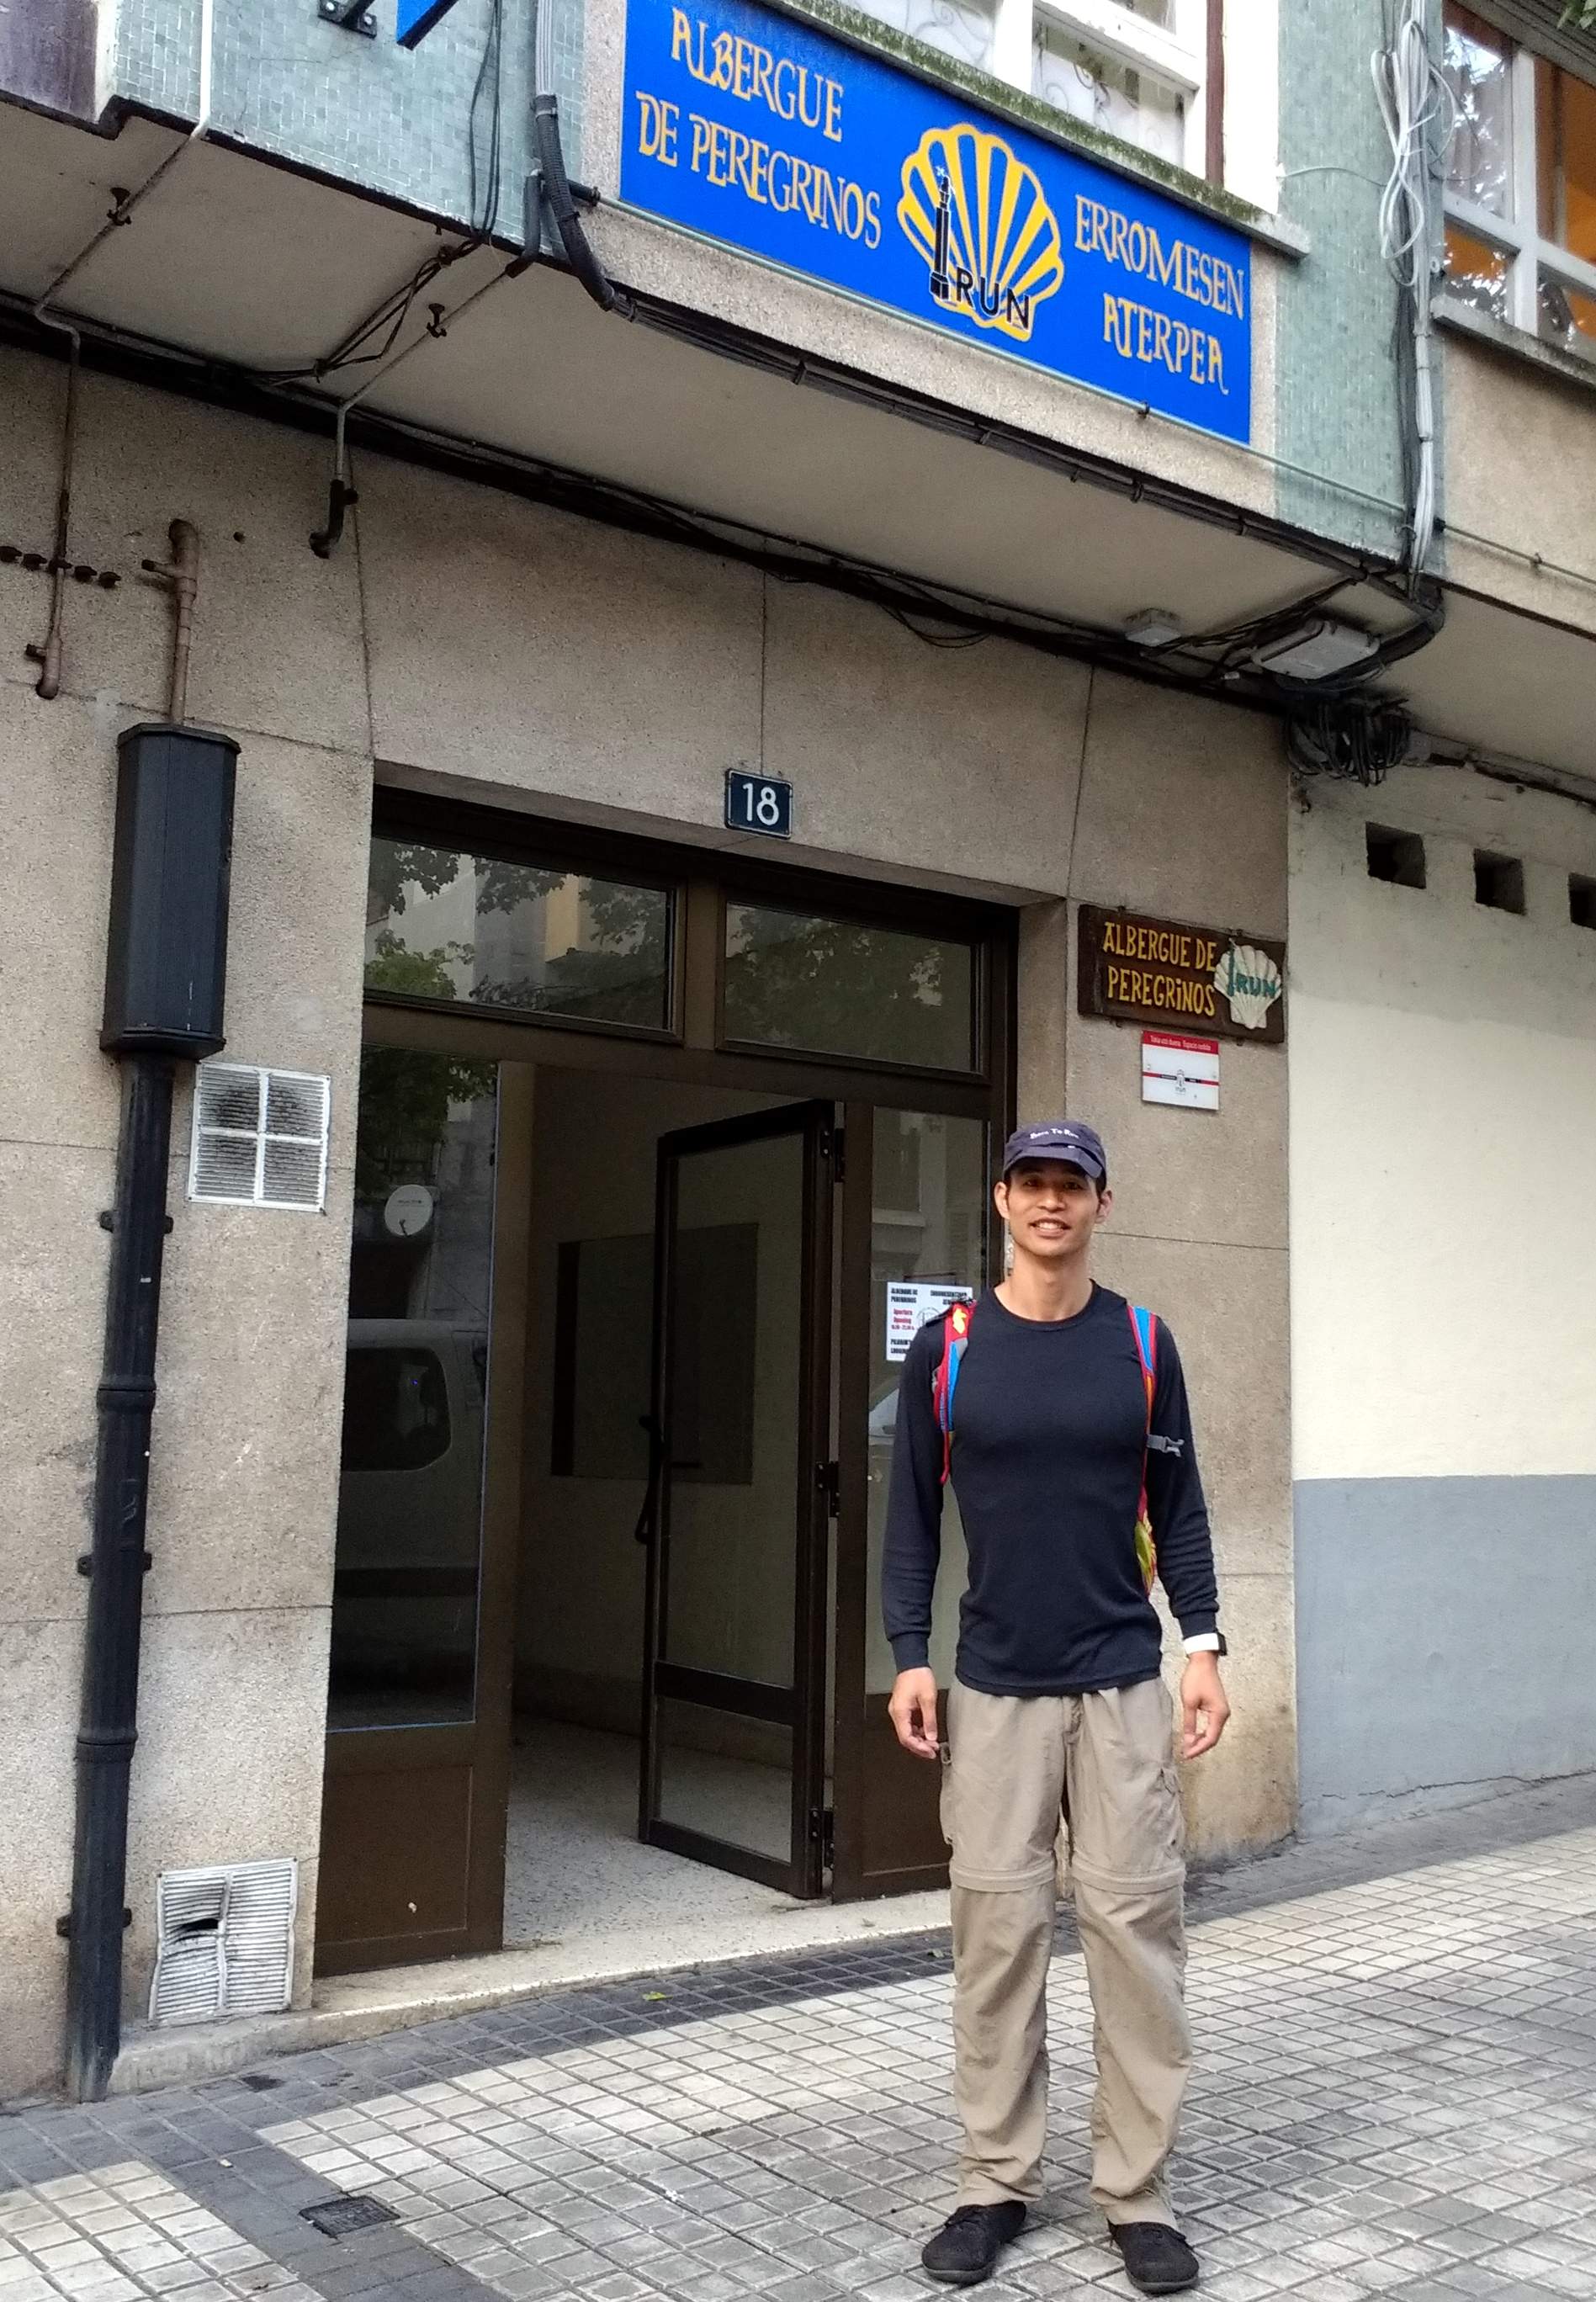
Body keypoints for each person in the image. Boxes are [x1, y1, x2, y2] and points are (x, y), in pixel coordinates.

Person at [883, 1120, 1229, 2299]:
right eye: (1030, 1183)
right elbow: (909, 1518)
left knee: (1136, 1941)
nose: (1048, 1203)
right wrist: (906, 1654)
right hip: (991, 1687)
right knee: (995, 1943)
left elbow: (1178, 1506)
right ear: (1000, 1199)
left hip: (1123, 1681)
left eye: (1067, 1187)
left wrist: (1206, 1645)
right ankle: (995, 2184)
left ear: (1098, 1202)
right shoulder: (950, 1346)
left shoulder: (1139, 1341)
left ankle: (1137, 2196)